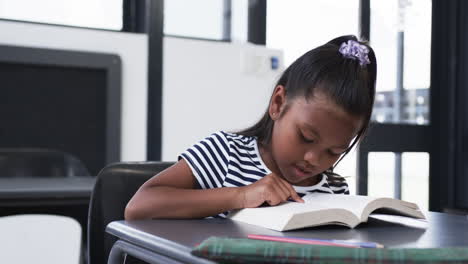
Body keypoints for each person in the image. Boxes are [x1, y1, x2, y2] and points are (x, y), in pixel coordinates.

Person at [125, 35, 377, 220]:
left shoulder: (334, 189)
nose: (313, 159)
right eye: (306, 137)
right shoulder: (226, 154)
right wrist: (241, 196)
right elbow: (139, 206)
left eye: (334, 152)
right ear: (278, 103)